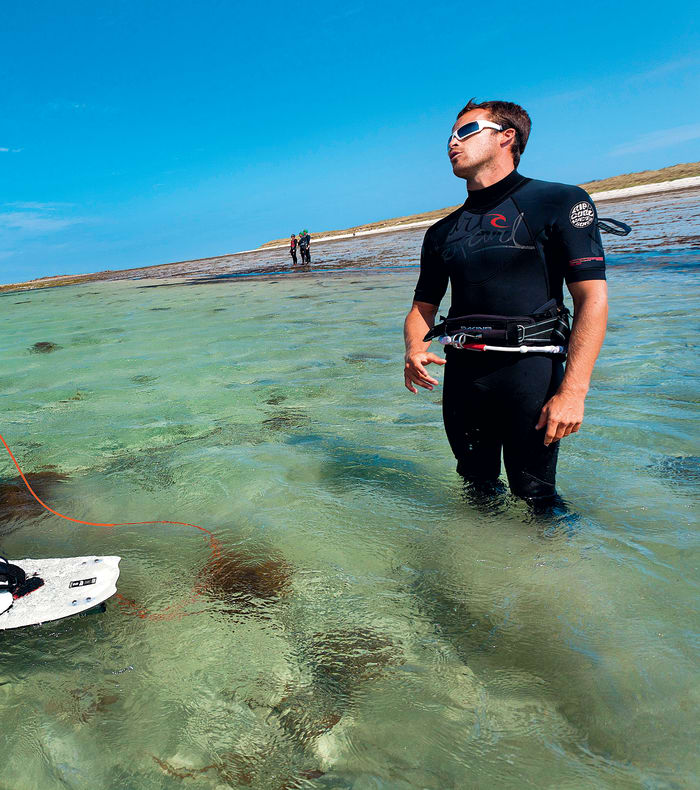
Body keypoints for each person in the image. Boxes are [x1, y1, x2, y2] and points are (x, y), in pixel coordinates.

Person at [403, 98, 609, 503]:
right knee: (476, 490)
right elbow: (422, 308)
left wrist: (573, 393)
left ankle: (560, 566)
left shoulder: (560, 201)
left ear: (506, 137)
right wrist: (414, 348)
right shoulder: (441, 232)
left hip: (529, 369)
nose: (451, 142)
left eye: (465, 131)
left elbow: (592, 300)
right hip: (464, 378)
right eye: (449, 135)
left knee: (537, 496)